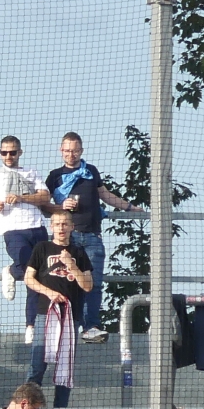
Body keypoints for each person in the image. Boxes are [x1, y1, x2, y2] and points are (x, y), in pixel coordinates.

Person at [46, 132, 137, 340]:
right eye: (67, 151)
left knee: (93, 284)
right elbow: (44, 204)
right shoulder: (55, 176)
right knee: (65, 282)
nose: (71, 155)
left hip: (93, 237)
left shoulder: (91, 171)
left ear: (82, 151)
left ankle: (91, 327)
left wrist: (130, 207)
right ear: (61, 151)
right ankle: (65, 326)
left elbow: (105, 195)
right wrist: (61, 205)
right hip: (67, 238)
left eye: (75, 151)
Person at [23, 212, 94, 409]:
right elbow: (29, 278)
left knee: (64, 368)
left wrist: (71, 265)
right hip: (45, 314)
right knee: (37, 365)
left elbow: (87, 285)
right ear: (51, 226)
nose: (61, 228)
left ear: (72, 227)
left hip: (71, 318)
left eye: (65, 224)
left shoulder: (79, 252)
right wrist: (49, 292)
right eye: (57, 224)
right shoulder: (42, 248)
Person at [0, 135, 50, 333]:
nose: (8, 156)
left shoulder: (31, 172)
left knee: (39, 274)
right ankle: (11, 270)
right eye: (4, 152)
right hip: (12, 229)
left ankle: (32, 325)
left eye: (12, 152)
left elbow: (45, 196)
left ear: (20, 152)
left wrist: (22, 198)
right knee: (28, 267)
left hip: (37, 227)